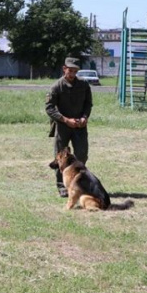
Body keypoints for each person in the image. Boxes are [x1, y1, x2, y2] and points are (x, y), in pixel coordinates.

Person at [45, 57, 93, 198]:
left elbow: (88, 104)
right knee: (60, 157)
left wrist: (84, 117)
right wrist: (65, 120)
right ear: (64, 68)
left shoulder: (84, 85)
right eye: (69, 70)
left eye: (75, 71)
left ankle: (79, 182)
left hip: (79, 125)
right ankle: (62, 186)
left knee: (82, 154)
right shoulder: (57, 86)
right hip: (62, 126)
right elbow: (49, 108)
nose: (72, 73)